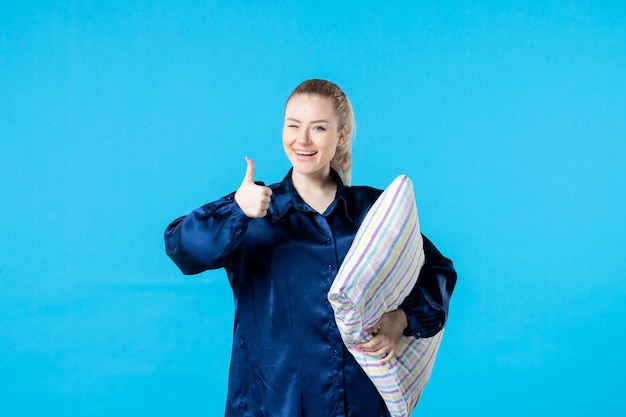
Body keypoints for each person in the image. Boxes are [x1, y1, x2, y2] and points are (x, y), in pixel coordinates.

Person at [164, 79, 457, 417]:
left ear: (341, 136)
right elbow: (181, 250)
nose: (302, 140)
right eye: (293, 126)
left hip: (361, 405)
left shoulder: (376, 212)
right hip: (271, 406)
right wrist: (235, 209)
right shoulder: (253, 212)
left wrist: (401, 319)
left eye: (318, 128)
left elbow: (438, 271)